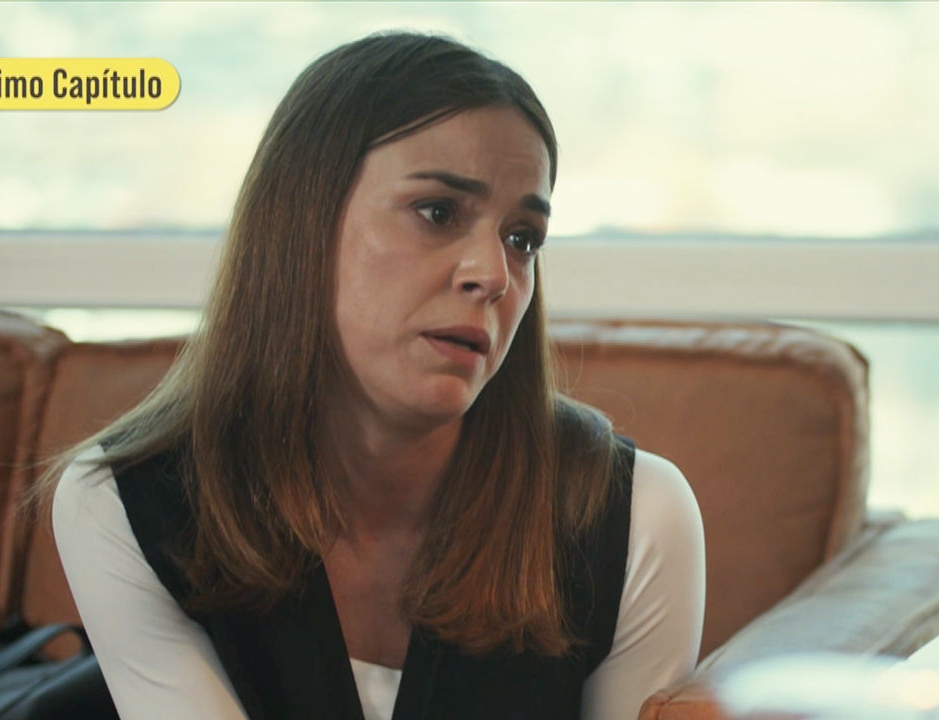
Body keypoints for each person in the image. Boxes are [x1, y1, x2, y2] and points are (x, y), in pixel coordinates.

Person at [45, 32, 704, 720]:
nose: (493, 274)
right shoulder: (126, 499)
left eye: (522, 239)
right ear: (302, 220)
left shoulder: (634, 517)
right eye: (438, 212)